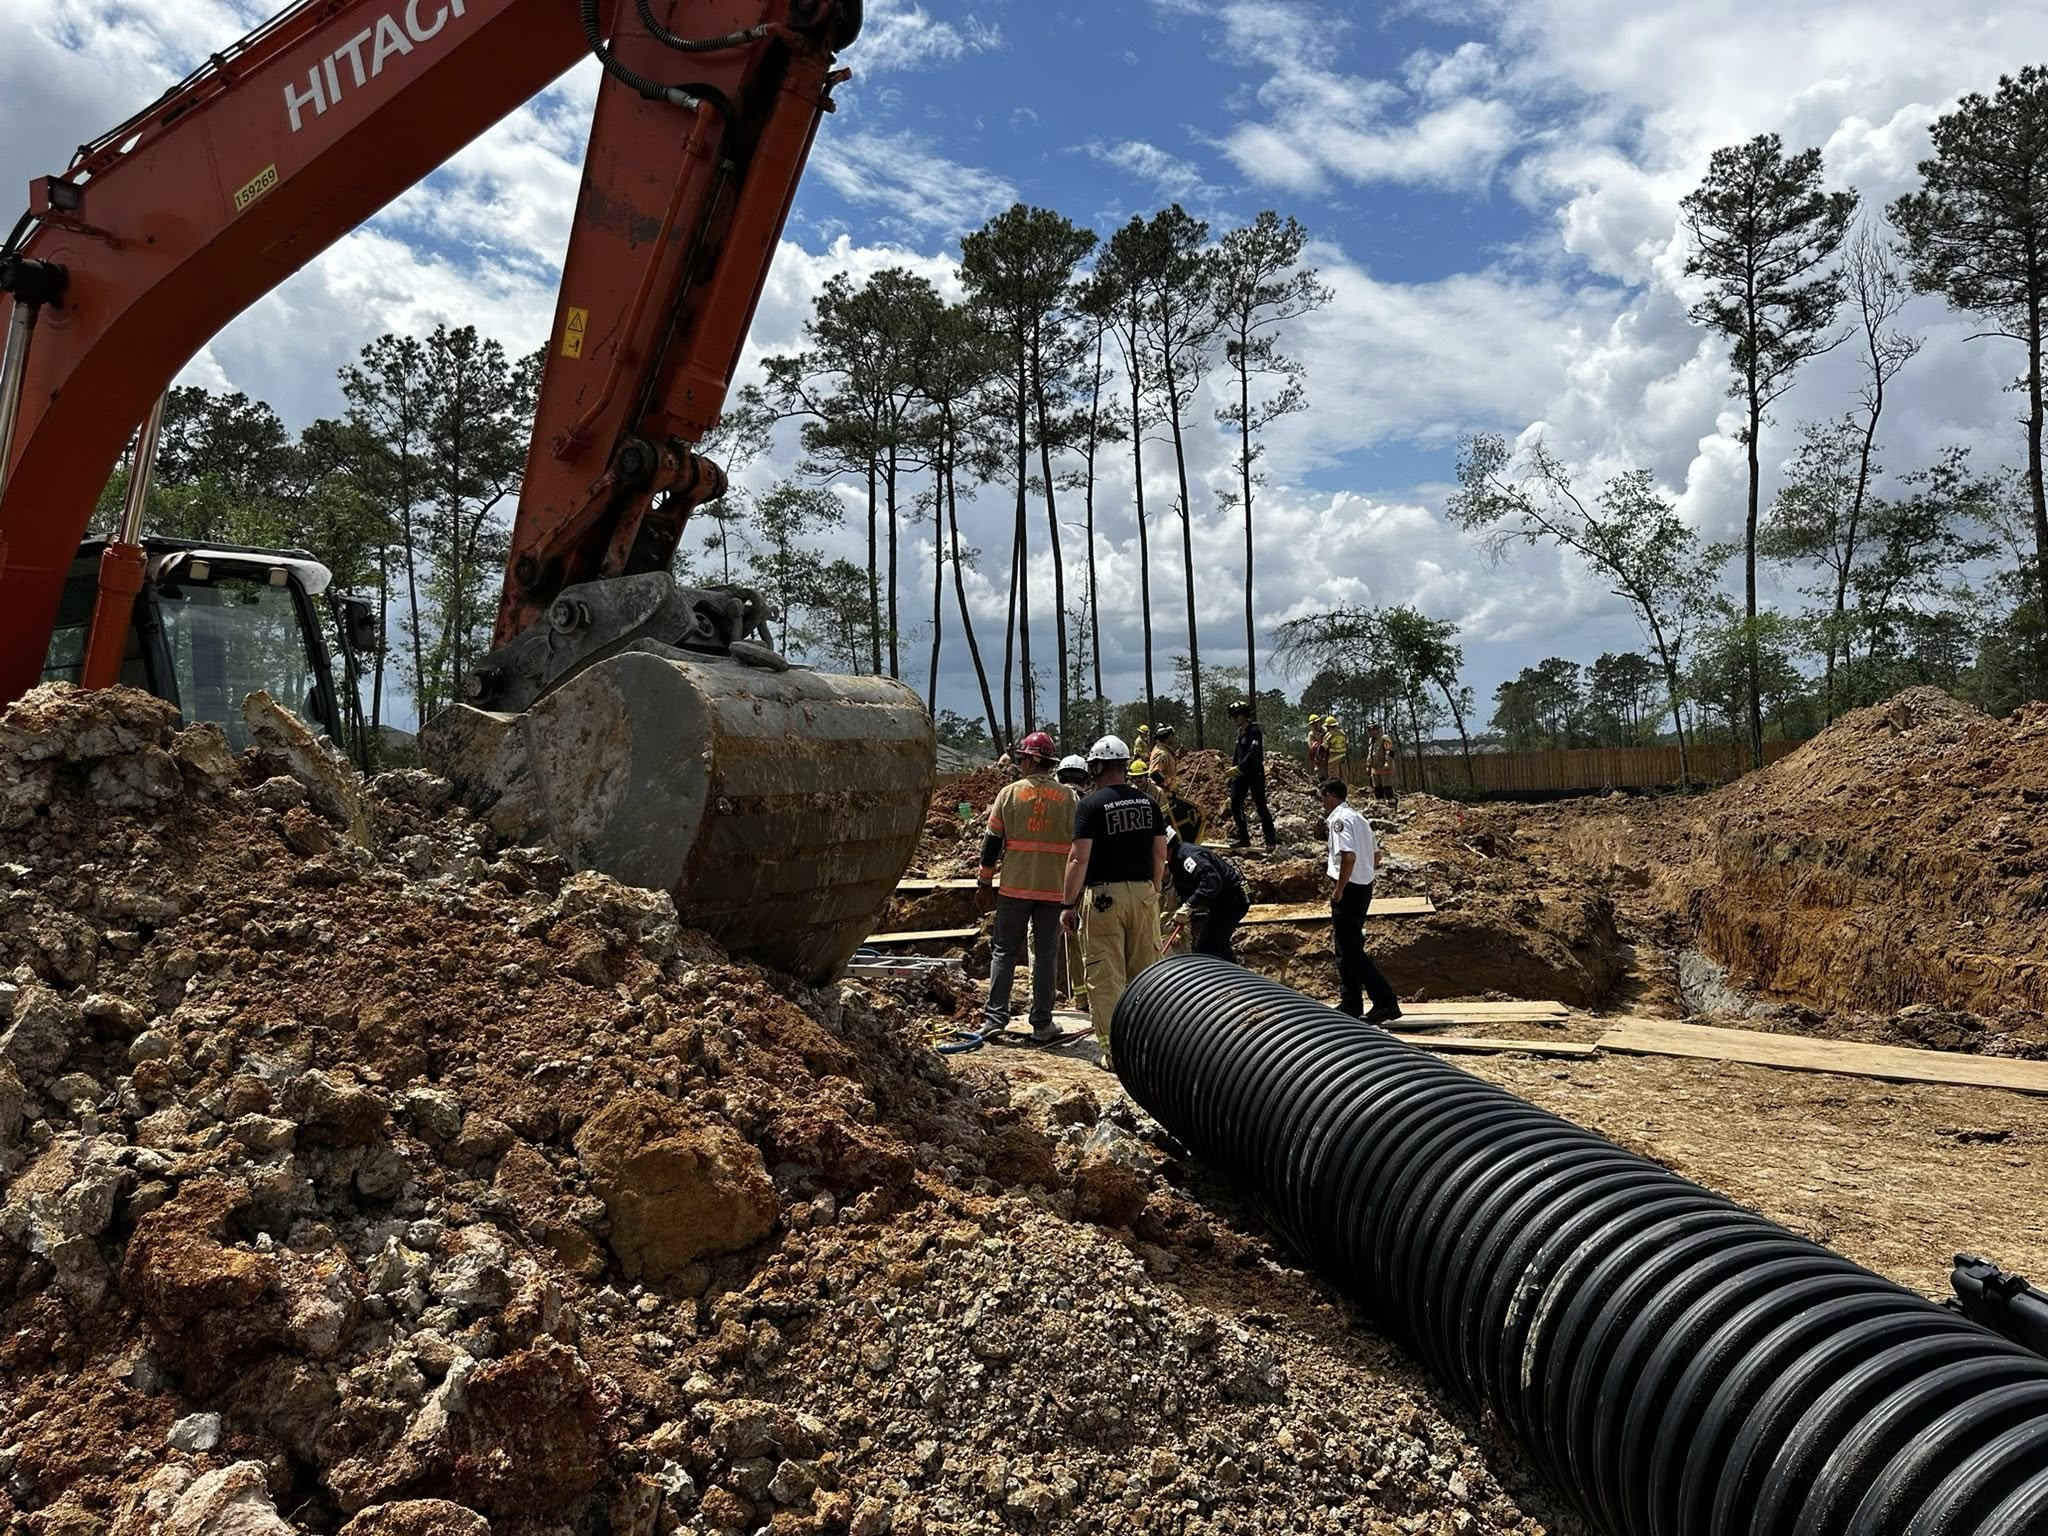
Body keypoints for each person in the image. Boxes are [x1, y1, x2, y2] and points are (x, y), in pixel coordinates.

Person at [1062, 736, 1168, 1068]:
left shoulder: (1090, 805)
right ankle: (1148, 1047)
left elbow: (1079, 859)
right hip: (1144, 894)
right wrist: (1153, 890)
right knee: (1147, 972)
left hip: (1104, 898)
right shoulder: (1148, 803)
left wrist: (1067, 904)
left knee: (1106, 975)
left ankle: (1115, 1052)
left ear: (1096, 767)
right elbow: (1160, 854)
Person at [976, 731, 1073, 1044]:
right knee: (1046, 954)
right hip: (1054, 890)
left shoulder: (1009, 795)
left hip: (1015, 888)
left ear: (1032, 760)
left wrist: (984, 881)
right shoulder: (1069, 798)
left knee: (1004, 951)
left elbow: (992, 843)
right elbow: (1080, 848)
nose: (1019, 764)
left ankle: (994, 1019)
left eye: (1022, 759)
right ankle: (1042, 1023)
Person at [1320, 777, 1401, 1024]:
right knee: (1346, 949)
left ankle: (1385, 1002)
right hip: (1363, 887)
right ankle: (1351, 1003)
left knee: (1351, 951)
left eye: (1322, 798)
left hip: (1349, 889)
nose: (1322, 803)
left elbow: (1349, 856)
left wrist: (1339, 889)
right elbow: (1376, 855)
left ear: (1330, 796)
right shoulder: (1360, 818)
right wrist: (1364, 873)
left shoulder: (1339, 820)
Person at [1162, 825, 1251, 964]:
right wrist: (1182, 917)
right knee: (1218, 944)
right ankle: (1233, 972)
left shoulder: (1189, 858)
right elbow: (1186, 890)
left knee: (1206, 947)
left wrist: (1190, 904)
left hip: (1233, 900)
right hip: (1222, 902)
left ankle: (1223, 974)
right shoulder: (1176, 862)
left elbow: (1212, 882)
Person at [1054, 754, 1092, 1011]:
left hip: (1049, 881)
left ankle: (1043, 997)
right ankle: (1083, 998)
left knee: (1046, 943)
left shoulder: (1050, 802)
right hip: (1082, 881)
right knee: (1083, 940)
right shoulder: (1089, 805)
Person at [1226, 701, 1278, 852]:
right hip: (1241, 774)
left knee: (1260, 804)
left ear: (1244, 715)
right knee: (1235, 803)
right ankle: (1244, 838)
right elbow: (1237, 754)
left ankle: (1270, 839)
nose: (1234, 719)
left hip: (1254, 773)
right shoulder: (1240, 732)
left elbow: (1252, 753)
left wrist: (1239, 767)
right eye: (1232, 717)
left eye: (1236, 716)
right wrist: (1233, 772)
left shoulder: (1254, 731)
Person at [1369, 724, 1398, 806]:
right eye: (1369, 730)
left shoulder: (1384, 738)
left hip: (1385, 768)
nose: (1371, 732)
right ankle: (1379, 803)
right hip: (1375, 769)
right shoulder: (1371, 741)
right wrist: (1368, 765)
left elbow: (1389, 751)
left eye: (1373, 730)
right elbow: (1370, 754)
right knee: (1377, 787)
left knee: (1387, 786)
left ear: (1377, 730)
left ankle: (1391, 802)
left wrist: (1387, 762)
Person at [1324, 718, 1350, 786]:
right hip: (1343, 758)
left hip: (1333, 759)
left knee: (1333, 777)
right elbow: (1347, 744)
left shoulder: (1329, 734)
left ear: (1329, 726)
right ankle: (1345, 790)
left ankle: (1335, 791)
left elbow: (1324, 747)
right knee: (1344, 776)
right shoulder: (1343, 733)